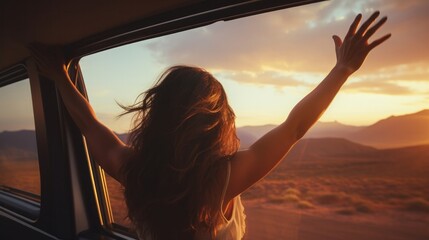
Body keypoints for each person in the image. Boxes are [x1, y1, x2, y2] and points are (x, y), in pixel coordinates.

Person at [30, 11, 391, 240]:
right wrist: (342, 70)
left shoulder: (135, 170)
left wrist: (61, 77)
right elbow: (295, 127)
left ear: (156, 117)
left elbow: (89, 126)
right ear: (217, 123)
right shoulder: (223, 181)